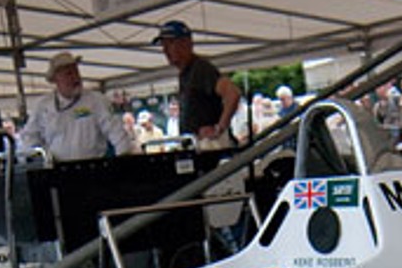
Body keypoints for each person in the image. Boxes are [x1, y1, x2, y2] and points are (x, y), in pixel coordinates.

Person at [18, 51, 132, 162]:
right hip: (56, 171)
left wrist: (124, 159)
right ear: (56, 79)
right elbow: (29, 137)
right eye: (68, 74)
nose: (75, 77)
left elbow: (117, 132)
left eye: (76, 72)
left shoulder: (96, 100)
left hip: (94, 169)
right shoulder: (43, 106)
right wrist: (33, 161)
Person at [153, 20, 240, 148]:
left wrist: (219, 128)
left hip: (209, 147)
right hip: (195, 145)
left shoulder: (201, 68)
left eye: (170, 43)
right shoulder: (186, 73)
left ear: (186, 43)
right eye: (163, 45)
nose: (165, 50)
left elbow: (233, 93)